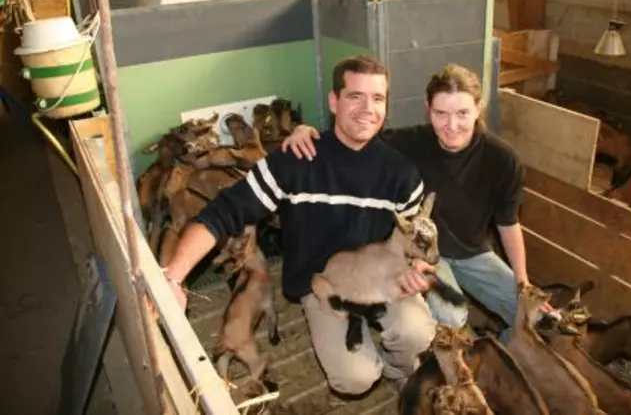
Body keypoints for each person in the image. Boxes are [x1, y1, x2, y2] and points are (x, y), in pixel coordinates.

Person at [162, 55, 437, 395]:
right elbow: (224, 212)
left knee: (418, 333)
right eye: (355, 96)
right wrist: (173, 277)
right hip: (322, 282)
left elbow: (416, 243)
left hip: (381, 274)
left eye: (378, 98)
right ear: (334, 102)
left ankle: (395, 370)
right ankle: (367, 362)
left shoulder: (401, 174)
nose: (368, 108)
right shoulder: (297, 160)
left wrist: (416, 266)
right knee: (355, 379)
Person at [282, 63, 545, 342]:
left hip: (474, 252)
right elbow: (351, 138)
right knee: (452, 315)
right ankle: (436, 354)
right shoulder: (408, 143)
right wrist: (306, 131)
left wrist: (522, 282)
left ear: (479, 107)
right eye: (440, 113)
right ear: (427, 109)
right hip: (422, 253)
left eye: (462, 113)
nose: (451, 125)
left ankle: (501, 358)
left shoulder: (503, 160)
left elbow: (508, 223)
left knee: (535, 314)